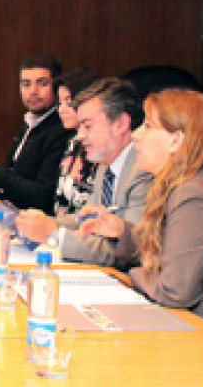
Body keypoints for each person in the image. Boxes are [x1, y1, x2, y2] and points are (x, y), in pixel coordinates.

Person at [82, 89, 203, 339]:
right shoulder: (193, 182)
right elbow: (179, 247)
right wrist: (122, 231)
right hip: (193, 327)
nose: (136, 135)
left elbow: (174, 292)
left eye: (148, 126)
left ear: (176, 141)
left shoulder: (195, 194)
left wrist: (129, 277)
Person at [16, 77, 152, 264]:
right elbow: (87, 221)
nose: (80, 136)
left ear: (121, 124)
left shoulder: (143, 171)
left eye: (87, 126)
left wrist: (54, 235)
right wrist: (37, 223)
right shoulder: (106, 163)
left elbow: (130, 252)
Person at [0, 54, 72, 213]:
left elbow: (44, 196)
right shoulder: (29, 124)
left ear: (57, 88)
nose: (33, 91)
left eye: (42, 83)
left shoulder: (62, 130)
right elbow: (16, 187)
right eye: (26, 84)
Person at [53, 68, 102, 215]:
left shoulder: (102, 149)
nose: (61, 109)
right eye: (59, 103)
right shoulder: (73, 143)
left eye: (69, 102)